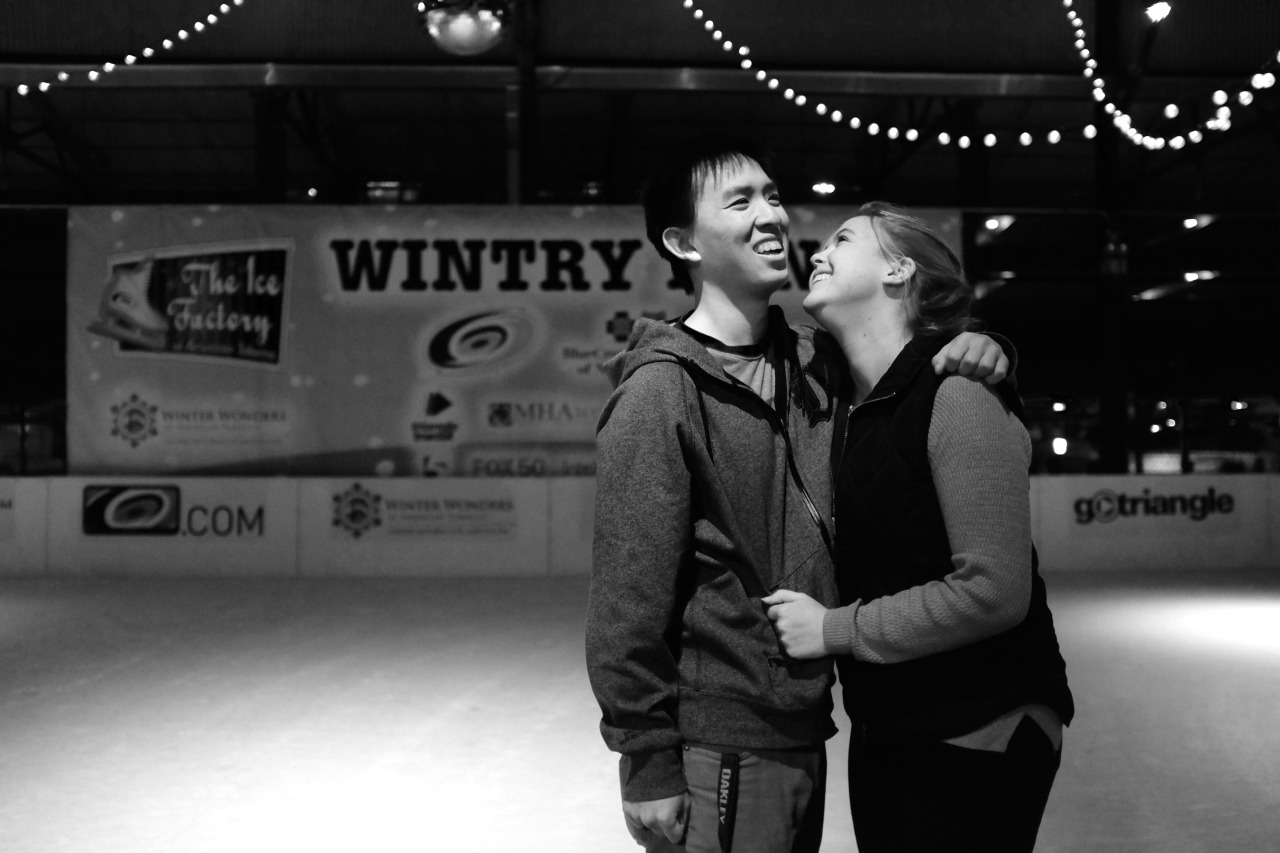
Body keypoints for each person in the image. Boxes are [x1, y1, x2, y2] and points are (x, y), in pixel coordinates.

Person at [584, 139, 1011, 853]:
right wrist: (646, 757)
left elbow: (915, 358)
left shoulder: (819, 362)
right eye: (740, 201)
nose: (771, 216)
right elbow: (628, 593)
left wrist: (990, 348)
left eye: (774, 196)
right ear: (682, 241)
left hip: (807, 728)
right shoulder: (660, 391)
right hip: (716, 734)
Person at [763, 202, 1074, 853]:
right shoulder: (847, 404)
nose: (818, 252)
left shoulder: (957, 394)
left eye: (843, 239)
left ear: (900, 269)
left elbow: (993, 589)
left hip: (980, 721)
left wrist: (832, 628)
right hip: (892, 723)